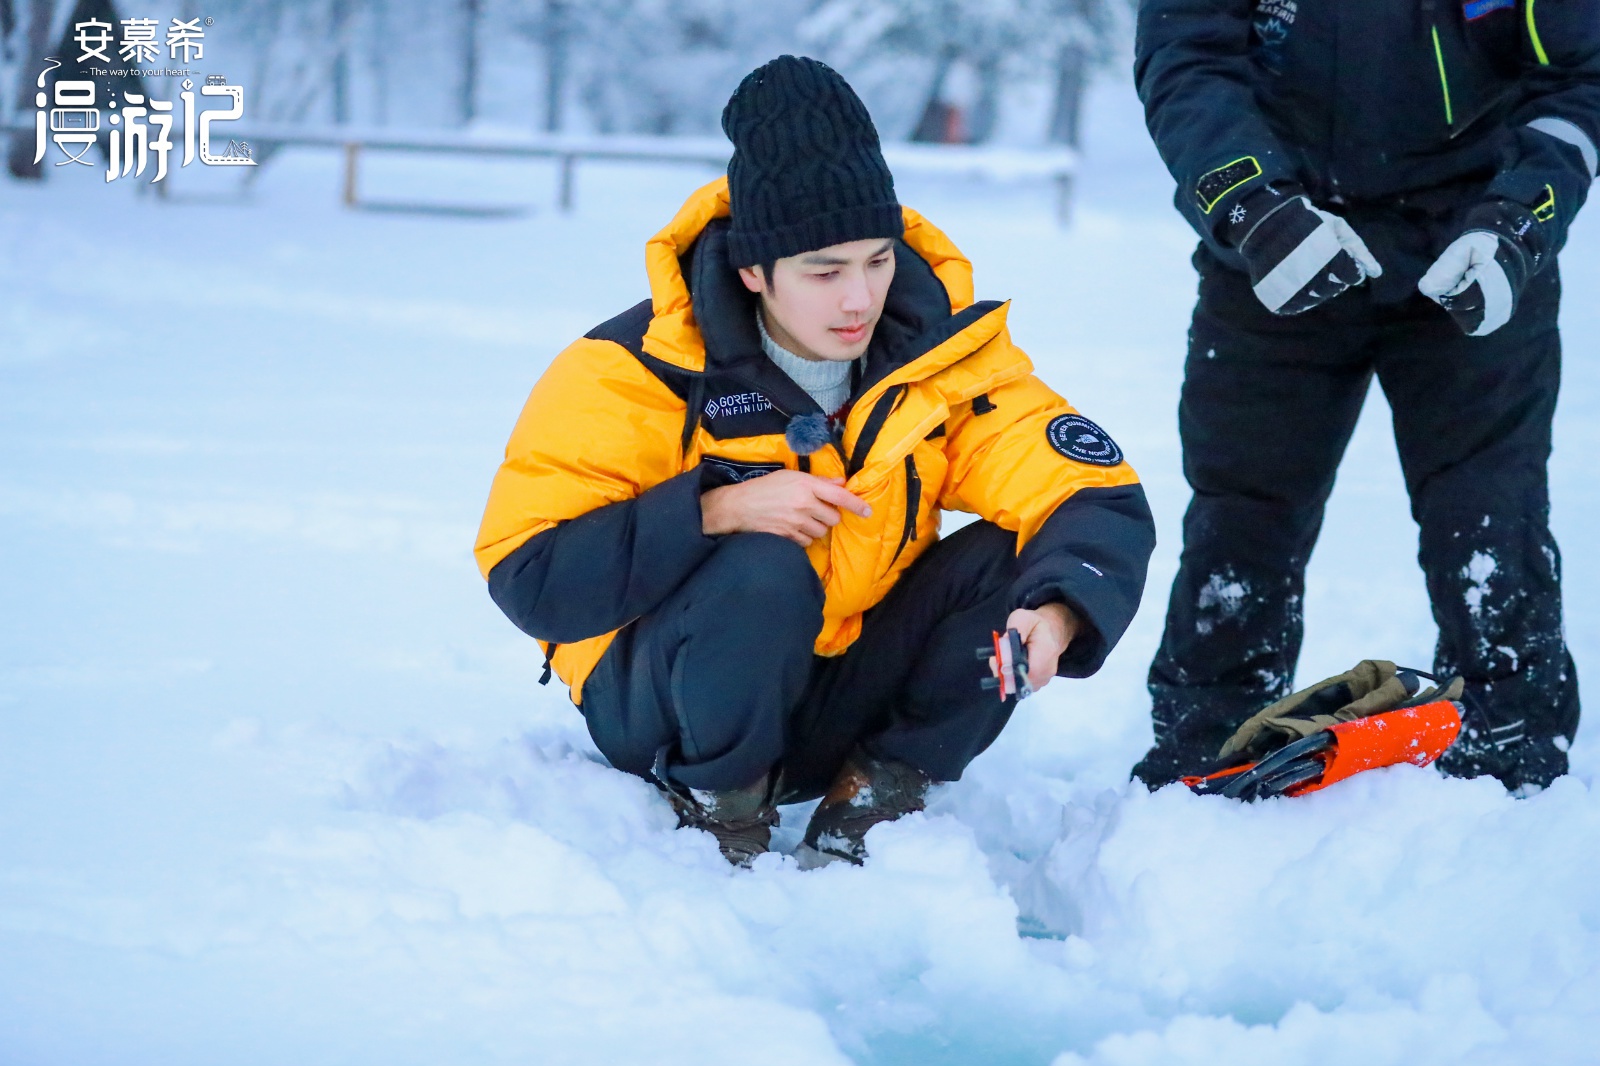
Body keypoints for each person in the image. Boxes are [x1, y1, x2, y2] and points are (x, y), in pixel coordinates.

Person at [474, 56, 1156, 866]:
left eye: (876, 260)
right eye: (825, 272)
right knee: (764, 566)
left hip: (837, 693)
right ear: (753, 270)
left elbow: (1083, 487)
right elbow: (531, 577)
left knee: (1022, 556)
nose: (859, 299)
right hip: (667, 707)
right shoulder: (634, 367)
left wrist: (1063, 606)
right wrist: (711, 510)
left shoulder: (935, 361)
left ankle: (877, 793)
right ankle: (722, 806)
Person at [1132, 0, 1599, 792]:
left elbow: (1581, 78)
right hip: (1276, 241)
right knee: (1241, 521)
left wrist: (1521, 220)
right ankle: (1204, 756)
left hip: (1473, 242)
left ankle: (1510, 768)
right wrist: (1250, 206)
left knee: (1491, 524)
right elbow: (1188, 59)